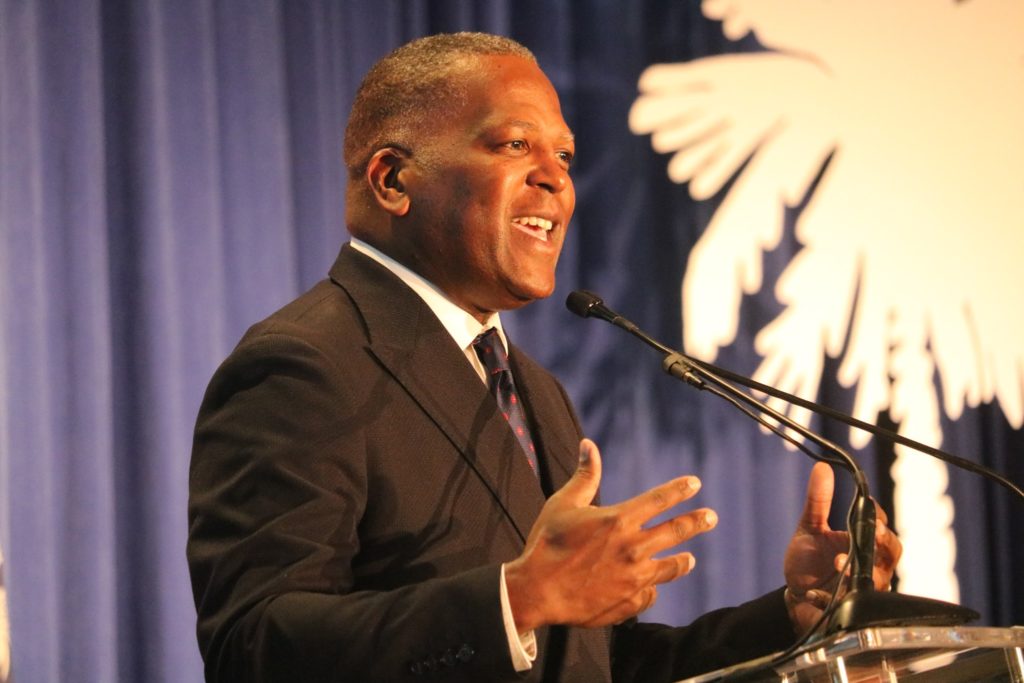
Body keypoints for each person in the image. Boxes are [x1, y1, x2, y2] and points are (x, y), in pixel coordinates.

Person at [186, 32, 901, 682]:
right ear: (392, 180)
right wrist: (517, 597)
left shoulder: (533, 390)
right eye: (513, 145)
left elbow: (597, 663)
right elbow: (252, 647)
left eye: (563, 156)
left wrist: (796, 617)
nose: (555, 179)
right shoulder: (304, 365)